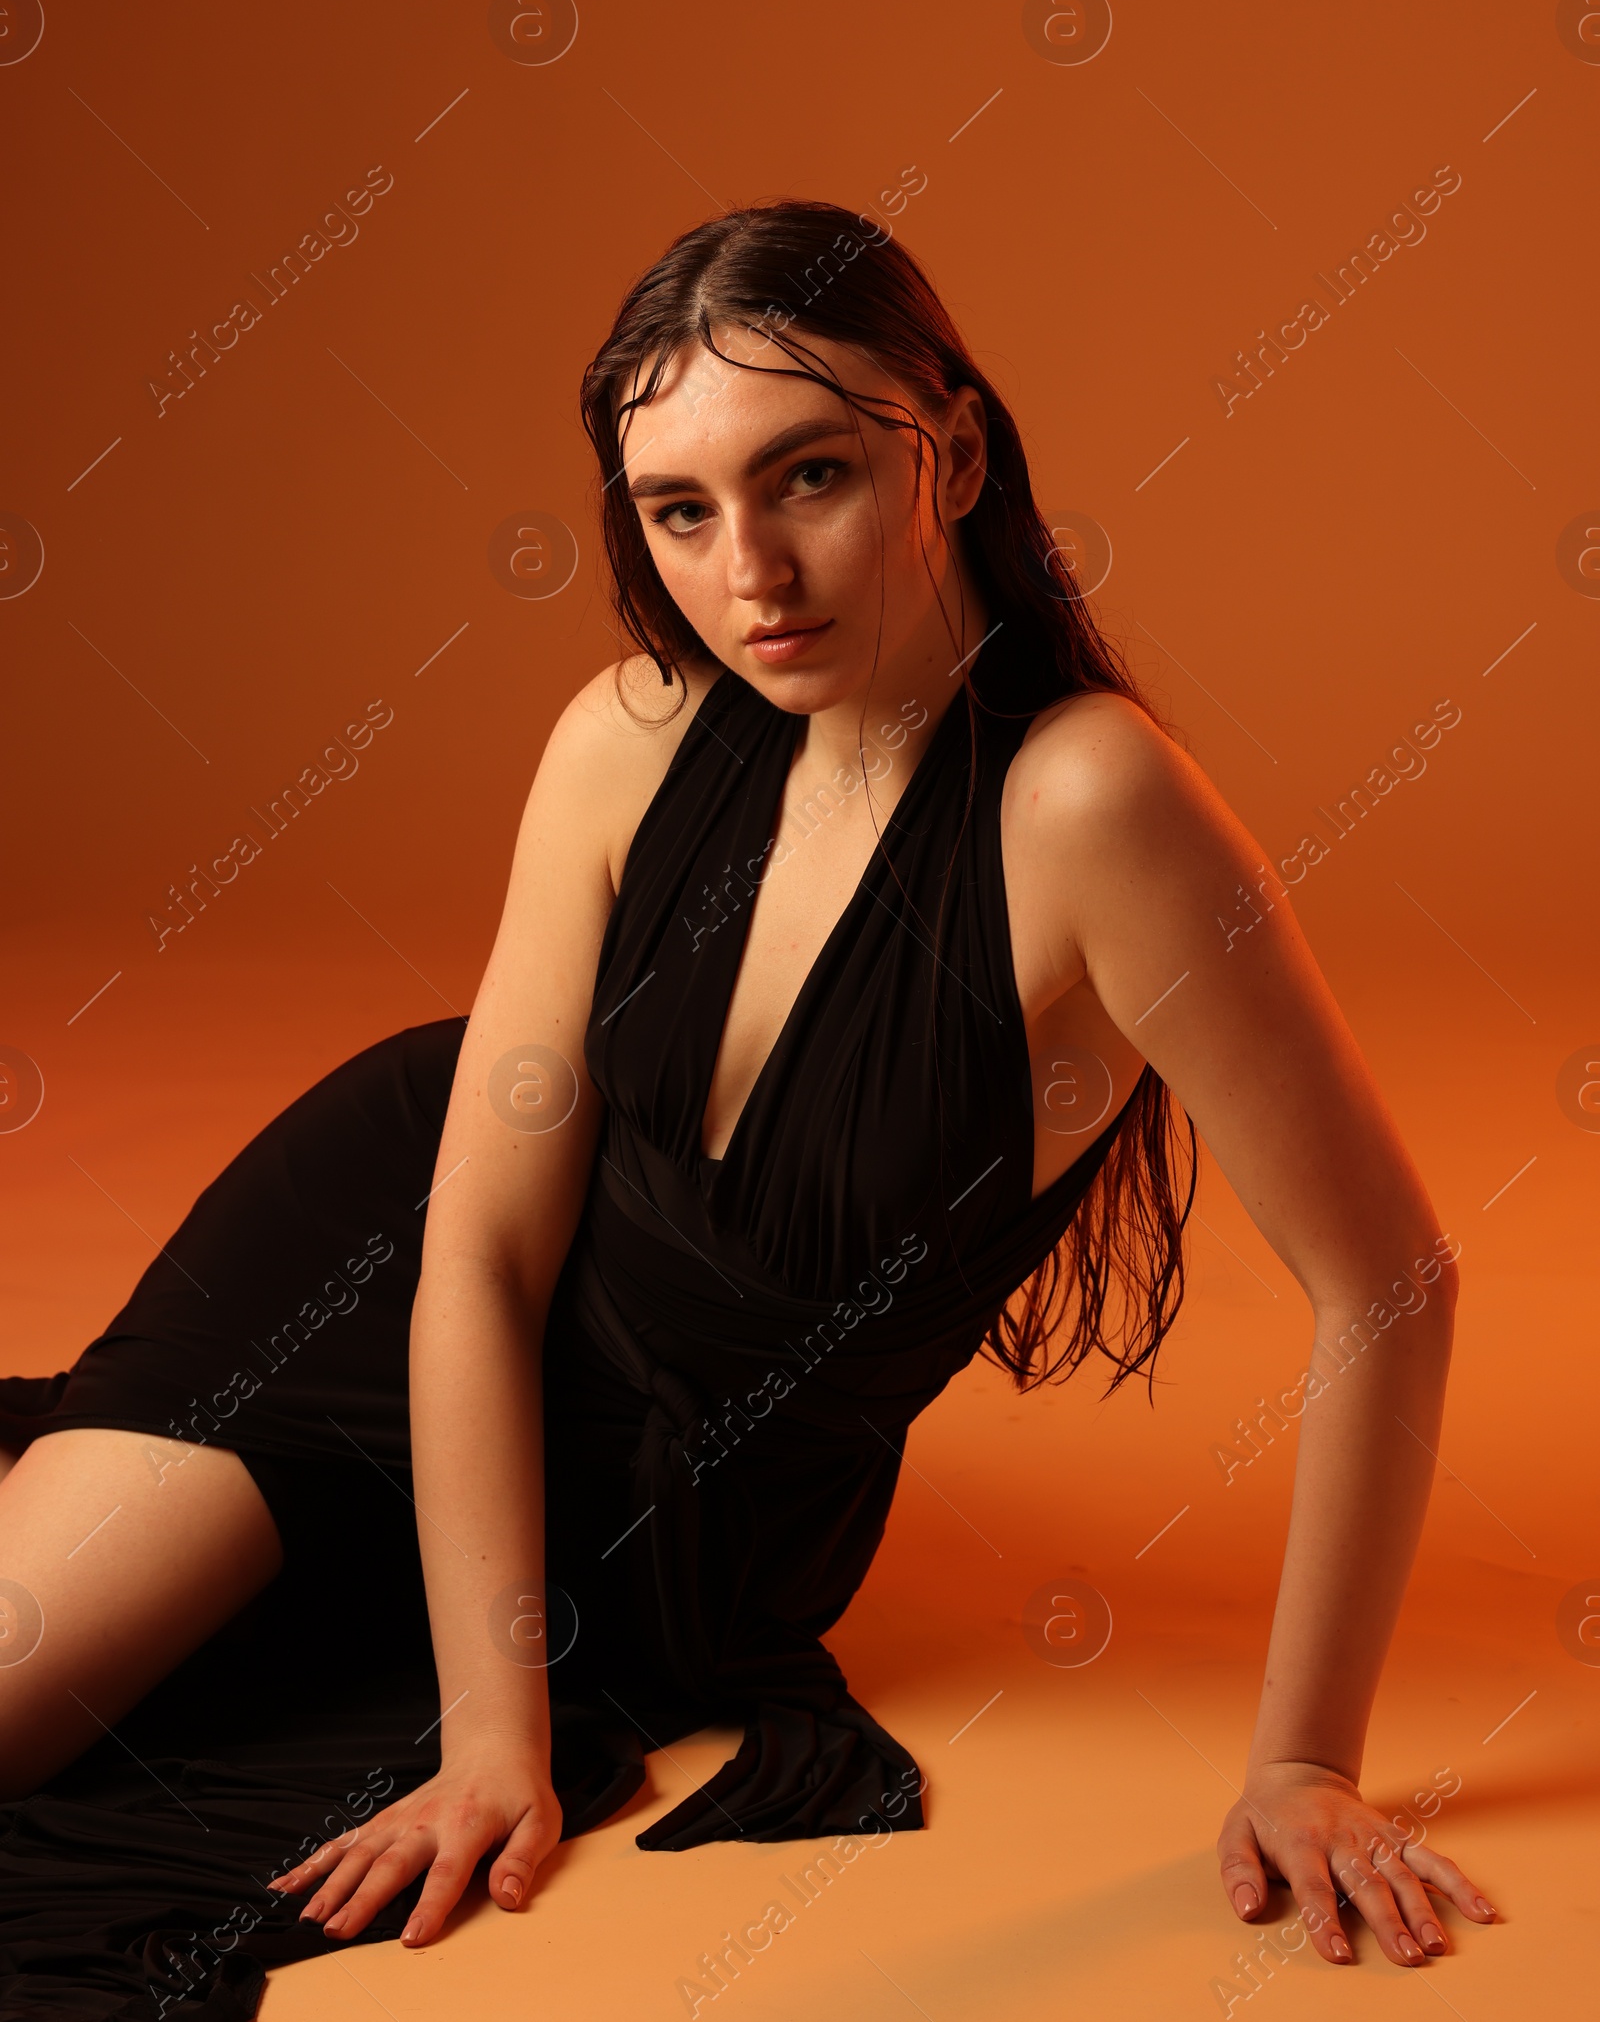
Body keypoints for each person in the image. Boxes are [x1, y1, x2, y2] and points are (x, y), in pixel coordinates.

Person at [0, 201, 1495, 2007]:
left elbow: (1390, 1280)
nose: (751, 576)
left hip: (686, 1540)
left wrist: (1305, 1765)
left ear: (946, 448)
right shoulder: (626, 736)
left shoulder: (1091, 810)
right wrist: (493, 1745)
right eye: (679, 511)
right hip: (365, 1285)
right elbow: (469, 1247)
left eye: (809, 477)